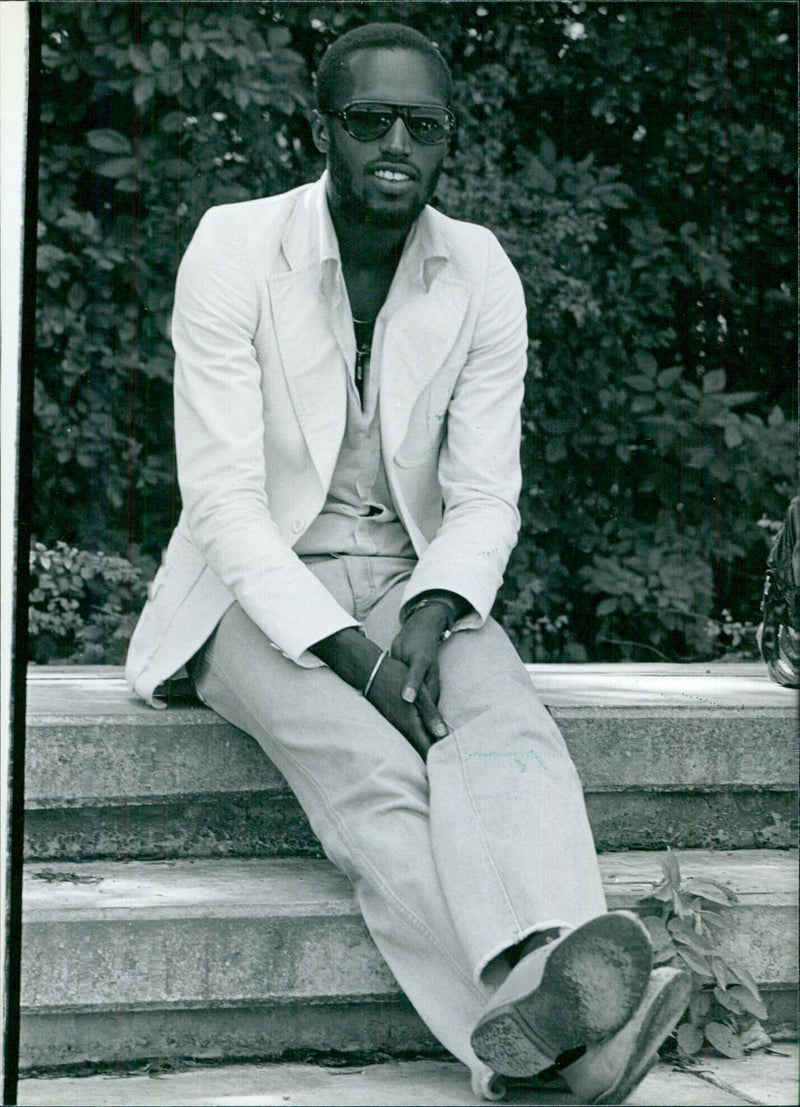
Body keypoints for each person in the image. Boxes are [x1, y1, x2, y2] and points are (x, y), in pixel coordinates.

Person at [126, 22, 690, 1103]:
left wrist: (428, 621)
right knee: (376, 771)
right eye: (369, 120)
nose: (396, 143)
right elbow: (226, 505)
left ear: (445, 144)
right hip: (251, 594)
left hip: (408, 580)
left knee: (505, 725)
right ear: (321, 128)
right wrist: (360, 665)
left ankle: (561, 1027)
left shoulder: (477, 268)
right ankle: (560, 1016)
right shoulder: (234, 248)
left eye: (420, 126)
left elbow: (482, 499)